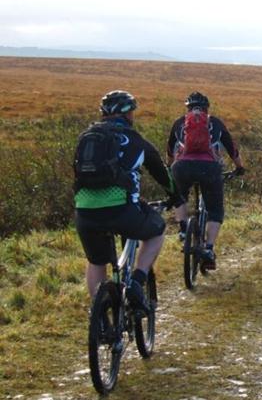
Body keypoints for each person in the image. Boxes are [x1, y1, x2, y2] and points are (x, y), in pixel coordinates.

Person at [74, 90, 178, 313]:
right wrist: (175, 196)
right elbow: (161, 174)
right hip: (122, 211)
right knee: (157, 231)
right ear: (129, 114)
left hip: (85, 212)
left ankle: (99, 316)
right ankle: (136, 282)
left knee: (96, 261)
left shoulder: (87, 137)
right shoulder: (136, 140)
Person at [167, 92, 245, 270]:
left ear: (187, 108)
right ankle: (209, 249)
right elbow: (232, 149)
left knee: (180, 196)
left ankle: (182, 228)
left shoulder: (179, 122)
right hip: (209, 167)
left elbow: (170, 150)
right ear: (207, 108)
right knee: (215, 210)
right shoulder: (215, 122)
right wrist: (239, 167)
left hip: (182, 166)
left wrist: (169, 166)